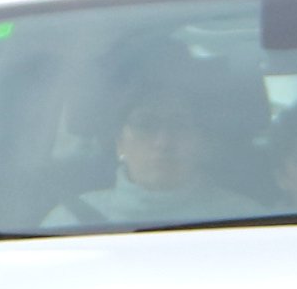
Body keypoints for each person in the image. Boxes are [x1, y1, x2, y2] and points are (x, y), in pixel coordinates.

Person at [60, 67, 261, 228]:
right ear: (119, 141)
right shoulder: (69, 220)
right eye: (145, 125)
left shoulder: (246, 219)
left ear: (201, 142)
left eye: (179, 125)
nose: (163, 142)